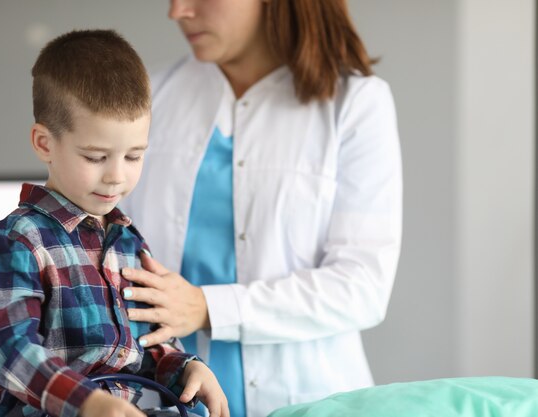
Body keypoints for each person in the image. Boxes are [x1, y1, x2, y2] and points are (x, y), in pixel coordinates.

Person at [120, 1, 403, 417]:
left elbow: (362, 285)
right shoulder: (151, 97)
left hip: (312, 400)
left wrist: (207, 307)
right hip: (164, 399)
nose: (178, 11)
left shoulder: (356, 103)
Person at [0, 29, 228, 417]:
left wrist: (187, 367)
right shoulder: (17, 241)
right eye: (95, 157)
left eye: (134, 156)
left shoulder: (129, 242)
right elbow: (10, 351)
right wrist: (87, 402)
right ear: (44, 144)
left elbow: (148, 344)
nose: (116, 177)